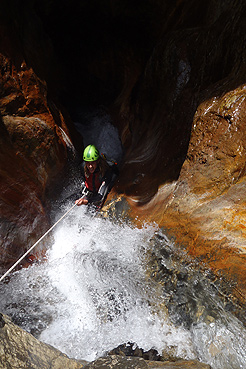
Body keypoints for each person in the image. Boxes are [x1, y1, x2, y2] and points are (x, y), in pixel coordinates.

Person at [75, 144, 118, 209]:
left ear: (98, 161)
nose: (90, 166)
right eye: (88, 163)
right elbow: (84, 181)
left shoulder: (105, 172)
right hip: (91, 191)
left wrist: (86, 201)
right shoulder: (82, 167)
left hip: (101, 191)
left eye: (92, 163)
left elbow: (100, 196)